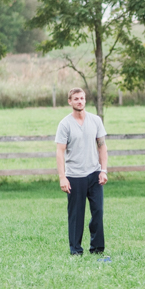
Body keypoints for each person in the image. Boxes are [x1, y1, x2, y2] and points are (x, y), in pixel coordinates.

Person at [55, 88, 109, 256]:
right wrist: (62, 177)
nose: (80, 101)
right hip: (74, 176)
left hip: (94, 174)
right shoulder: (65, 124)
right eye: (76, 99)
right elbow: (60, 151)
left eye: (82, 98)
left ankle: (97, 248)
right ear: (70, 102)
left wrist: (103, 170)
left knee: (98, 212)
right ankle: (76, 250)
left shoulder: (95, 121)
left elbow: (102, 146)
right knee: (76, 216)